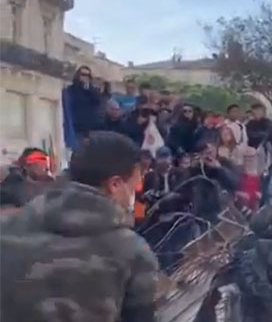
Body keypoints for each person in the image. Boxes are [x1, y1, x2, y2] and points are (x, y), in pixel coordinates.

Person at [0, 131, 158, 321]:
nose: (138, 189)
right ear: (115, 184)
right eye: (136, 183)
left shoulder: (9, 227)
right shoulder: (131, 251)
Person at [64, 66, 104, 144]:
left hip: (88, 128)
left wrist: (89, 89)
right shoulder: (71, 89)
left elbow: (97, 101)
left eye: (87, 75)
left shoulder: (92, 90)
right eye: (83, 74)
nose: (84, 77)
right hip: (74, 126)